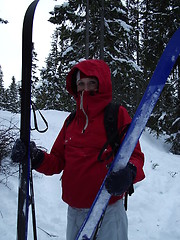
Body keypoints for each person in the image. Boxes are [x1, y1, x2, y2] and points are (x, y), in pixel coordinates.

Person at [12, 59, 145, 240]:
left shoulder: (117, 115)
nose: (85, 89)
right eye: (81, 84)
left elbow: (136, 155)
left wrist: (129, 173)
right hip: (75, 212)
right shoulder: (71, 121)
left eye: (91, 83)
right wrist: (35, 157)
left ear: (102, 84)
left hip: (109, 209)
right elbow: (57, 161)